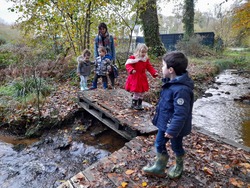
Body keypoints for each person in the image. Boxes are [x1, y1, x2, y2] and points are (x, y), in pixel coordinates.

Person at [142, 51, 194, 179]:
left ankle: (179, 165)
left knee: (176, 146)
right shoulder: (170, 83)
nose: (161, 68)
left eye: (163, 66)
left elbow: (181, 114)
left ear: (171, 70)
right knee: (159, 143)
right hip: (165, 123)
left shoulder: (181, 90)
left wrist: (172, 130)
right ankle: (160, 166)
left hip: (175, 128)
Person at [125, 43, 158, 110]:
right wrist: (132, 70)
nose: (143, 54)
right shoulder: (133, 58)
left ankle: (139, 104)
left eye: (145, 52)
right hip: (135, 77)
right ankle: (134, 104)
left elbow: (149, 67)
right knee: (137, 92)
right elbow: (128, 65)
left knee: (142, 92)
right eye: (142, 52)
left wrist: (154, 73)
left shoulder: (145, 59)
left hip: (142, 77)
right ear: (138, 51)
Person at [94, 22, 116, 89]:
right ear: (99, 30)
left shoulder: (110, 37)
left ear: (106, 29)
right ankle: (103, 85)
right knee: (101, 71)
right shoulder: (97, 38)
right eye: (101, 29)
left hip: (109, 55)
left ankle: (112, 84)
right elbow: (95, 48)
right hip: (100, 56)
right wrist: (96, 57)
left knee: (110, 70)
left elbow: (113, 48)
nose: (102, 30)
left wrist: (113, 58)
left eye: (103, 29)